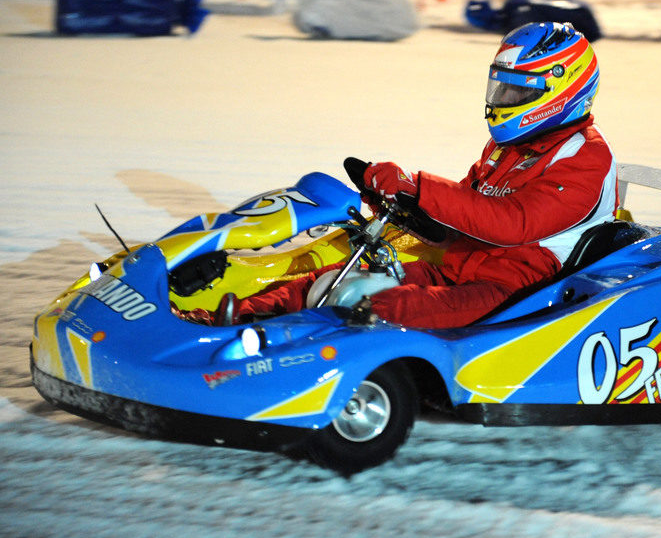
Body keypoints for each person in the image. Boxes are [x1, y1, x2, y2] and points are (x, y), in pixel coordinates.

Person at [223, 21, 617, 328]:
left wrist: (418, 187)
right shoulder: (506, 149)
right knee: (331, 282)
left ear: (562, 91)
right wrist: (401, 203)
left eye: (515, 92)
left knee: (377, 308)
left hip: (516, 291)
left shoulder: (585, 156)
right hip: (458, 268)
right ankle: (224, 326)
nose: (501, 103)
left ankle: (276, 359)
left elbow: (514, 224)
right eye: (500, 89)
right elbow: (462, 216)